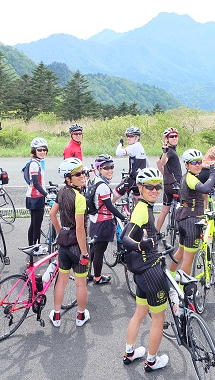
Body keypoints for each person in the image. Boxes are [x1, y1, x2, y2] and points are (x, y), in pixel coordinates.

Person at [121, 168, 169, 372]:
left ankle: (130, 352)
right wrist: (142, 246)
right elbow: (125, 238)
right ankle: (152, 360)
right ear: (140, 188)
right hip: (151, 271)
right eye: (150, 187)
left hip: (140, 273)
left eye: (158, 187)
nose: (155, 190)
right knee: (159, 318)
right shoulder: (141, 210)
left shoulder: (144, 207)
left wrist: (154, 239)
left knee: (140, 313)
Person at [49, 157, 90, 328]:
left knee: (62, 281)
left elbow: (52, 214)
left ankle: (56, 315)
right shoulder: (79, 198)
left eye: (84, 172)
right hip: (76, 247)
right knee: (81, 284)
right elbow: (80, 230)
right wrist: (85, 253)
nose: (83, 176)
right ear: (68, 178)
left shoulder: (61, 191)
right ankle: (80, 316)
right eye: (78, 174)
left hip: (63, 245)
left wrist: (61, 232)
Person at [168, 150, 215, 276]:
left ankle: (170, 275)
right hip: (192, 221)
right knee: (188, 258)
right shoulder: (190, 178)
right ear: (186, 165)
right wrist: (213, 175)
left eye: (199, 162)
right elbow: (205, 189)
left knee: (181, 251)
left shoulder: (188, 177)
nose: (197, 165)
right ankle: (183, 287)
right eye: (193, 162)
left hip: (184, 218)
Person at [88, 155, 127, 284]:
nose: (110, 170)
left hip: (94, 221)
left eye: (112, 167)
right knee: (99, 251)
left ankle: (90, 273)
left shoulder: (95, 180)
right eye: (106, 168)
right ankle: (98, 277)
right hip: (103, 223)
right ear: (99, 169)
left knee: (94, 249)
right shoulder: (103, 186)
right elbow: (110, 207)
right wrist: (124, 217)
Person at [155, 127, 182, 234]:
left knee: (164, 210)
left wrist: (165, 175)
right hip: (177, 185)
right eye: (172, 136)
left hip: (167, 185)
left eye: (176, 136)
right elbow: (162, 162)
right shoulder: (169, 151)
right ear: (166, 139)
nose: (174, 138)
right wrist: (165, 152)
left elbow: (158, 162)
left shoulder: (169, 150)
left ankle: (156, 233)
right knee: (185, 207)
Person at [26, 138, 49, 250]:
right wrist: (46, 194)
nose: (43, 152)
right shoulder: (34, 164)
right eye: (39, 150)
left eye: (45, 150)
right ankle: (35, 248)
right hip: (35, 197)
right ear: (34, 151)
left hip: (35, 196)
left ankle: (33, 247)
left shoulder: (39, 162)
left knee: (34, 224)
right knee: (36, 224)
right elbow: (35, 183)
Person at [115, 126, 148, 199]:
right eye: (127, 136)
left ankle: (107, 210)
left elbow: (118, 153)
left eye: (131, 136)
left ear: (137, 137)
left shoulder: (133, 147)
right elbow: (147, 162)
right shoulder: (140, 146)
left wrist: (120, 144)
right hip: (140, 180)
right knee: (137, 199)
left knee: (115, 192)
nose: (128, 138)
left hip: (132, 179)